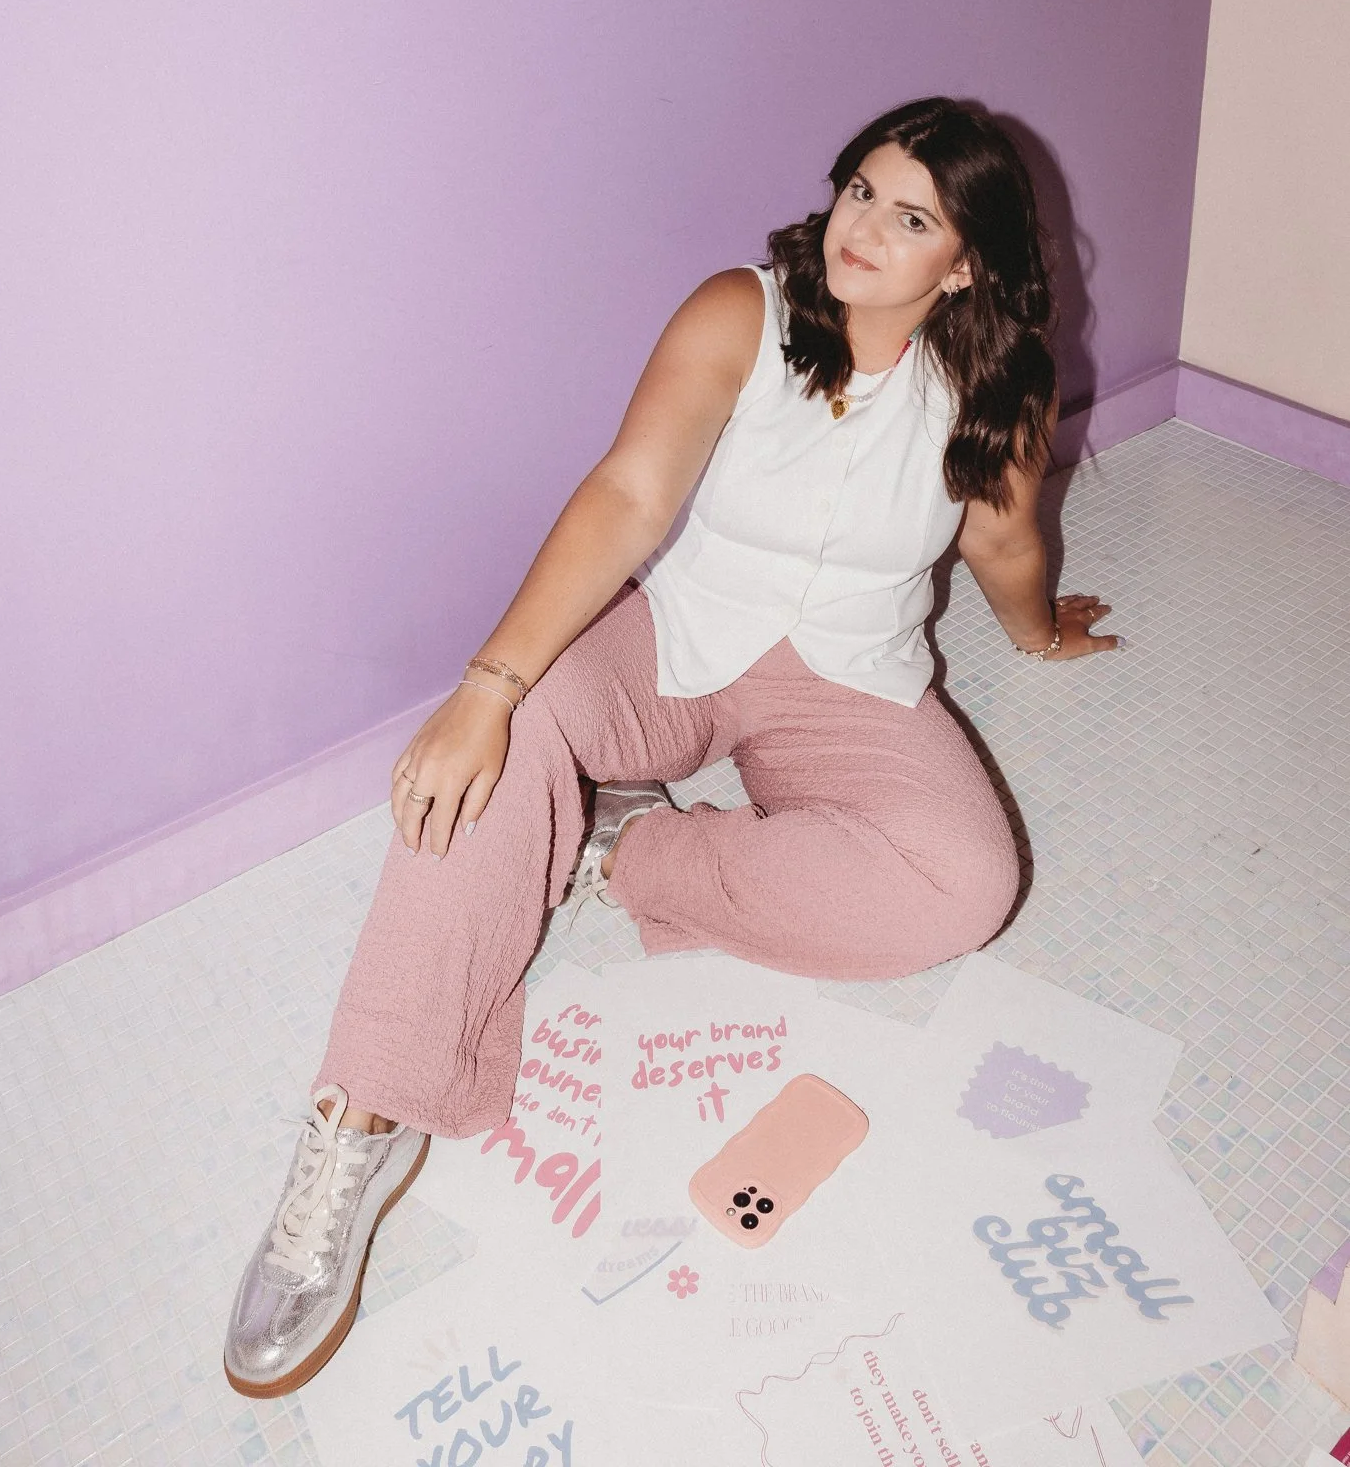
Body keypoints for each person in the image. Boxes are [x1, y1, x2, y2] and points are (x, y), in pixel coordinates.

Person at [223, 96, 1120, 1397]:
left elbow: (1002, 542)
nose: (863, 227)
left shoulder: (999, 386)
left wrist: (1037, 636)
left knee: (968, 885)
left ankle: (631, 848)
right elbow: (630, 494)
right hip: (682, 649)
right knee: (513, 728)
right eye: (860, 189)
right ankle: (371, 1110)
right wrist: (488, 683)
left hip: (851, 689)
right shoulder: (742, 313)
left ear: (968, 261)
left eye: (911, 216)